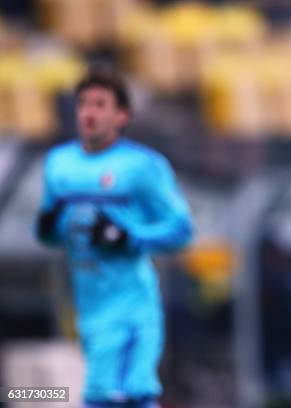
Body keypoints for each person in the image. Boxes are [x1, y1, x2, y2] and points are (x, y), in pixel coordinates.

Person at [35, 68, 193, 408]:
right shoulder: (59, 164)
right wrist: (49, 225)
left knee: (127, 395)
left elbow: (180, 229)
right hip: (87, 306)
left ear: (121, 115)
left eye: (100, 104)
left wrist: (129, 237)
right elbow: (50, 234)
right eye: (83, 104)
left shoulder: (142, 166)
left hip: (132, 307)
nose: (89, 113)